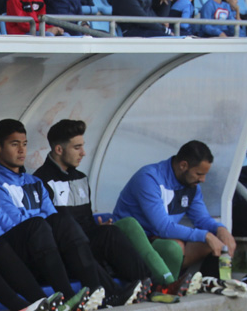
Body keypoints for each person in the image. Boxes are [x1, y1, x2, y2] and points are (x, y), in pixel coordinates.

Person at [0, 119, 145, 306]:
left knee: (74, 225)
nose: (22, 150)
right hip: (22, 257)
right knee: (44, 226)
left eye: (25, 144)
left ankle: (111, 290)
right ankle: (87, 295)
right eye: (14, 144)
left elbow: (50, 213)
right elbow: (17, 223)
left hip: (47, 248)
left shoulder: (33, 181)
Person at [0, 126, 98, 311]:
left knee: (63, 222)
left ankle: (93, 292)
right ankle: (41, 304)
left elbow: (6, 226)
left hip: (14, 255)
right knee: (6, 240)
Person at [34, 119, 162, 287]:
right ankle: (139, 288)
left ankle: (148, 285)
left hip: (86, 243)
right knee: (106, 235)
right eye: (77, 147)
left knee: (110, 231)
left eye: (83, 146)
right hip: (65, 252)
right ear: (59, 149)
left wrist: (97, 228)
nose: (84, 153)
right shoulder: (40, 181)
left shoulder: (81, 178)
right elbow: (52, 229)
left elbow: (85, 220)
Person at [113, 140, 238, 284]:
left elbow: (202, 219)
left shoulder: (192, 185)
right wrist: (206, 235)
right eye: (199, 174)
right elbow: (163, 227)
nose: (203, 180)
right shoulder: (149, 178)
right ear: (183, 165)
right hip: (134, 243)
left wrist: (220, 229)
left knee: (217, 241)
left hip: (159, 239)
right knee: (175, 246)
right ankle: (167, 287)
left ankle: (217, 283)